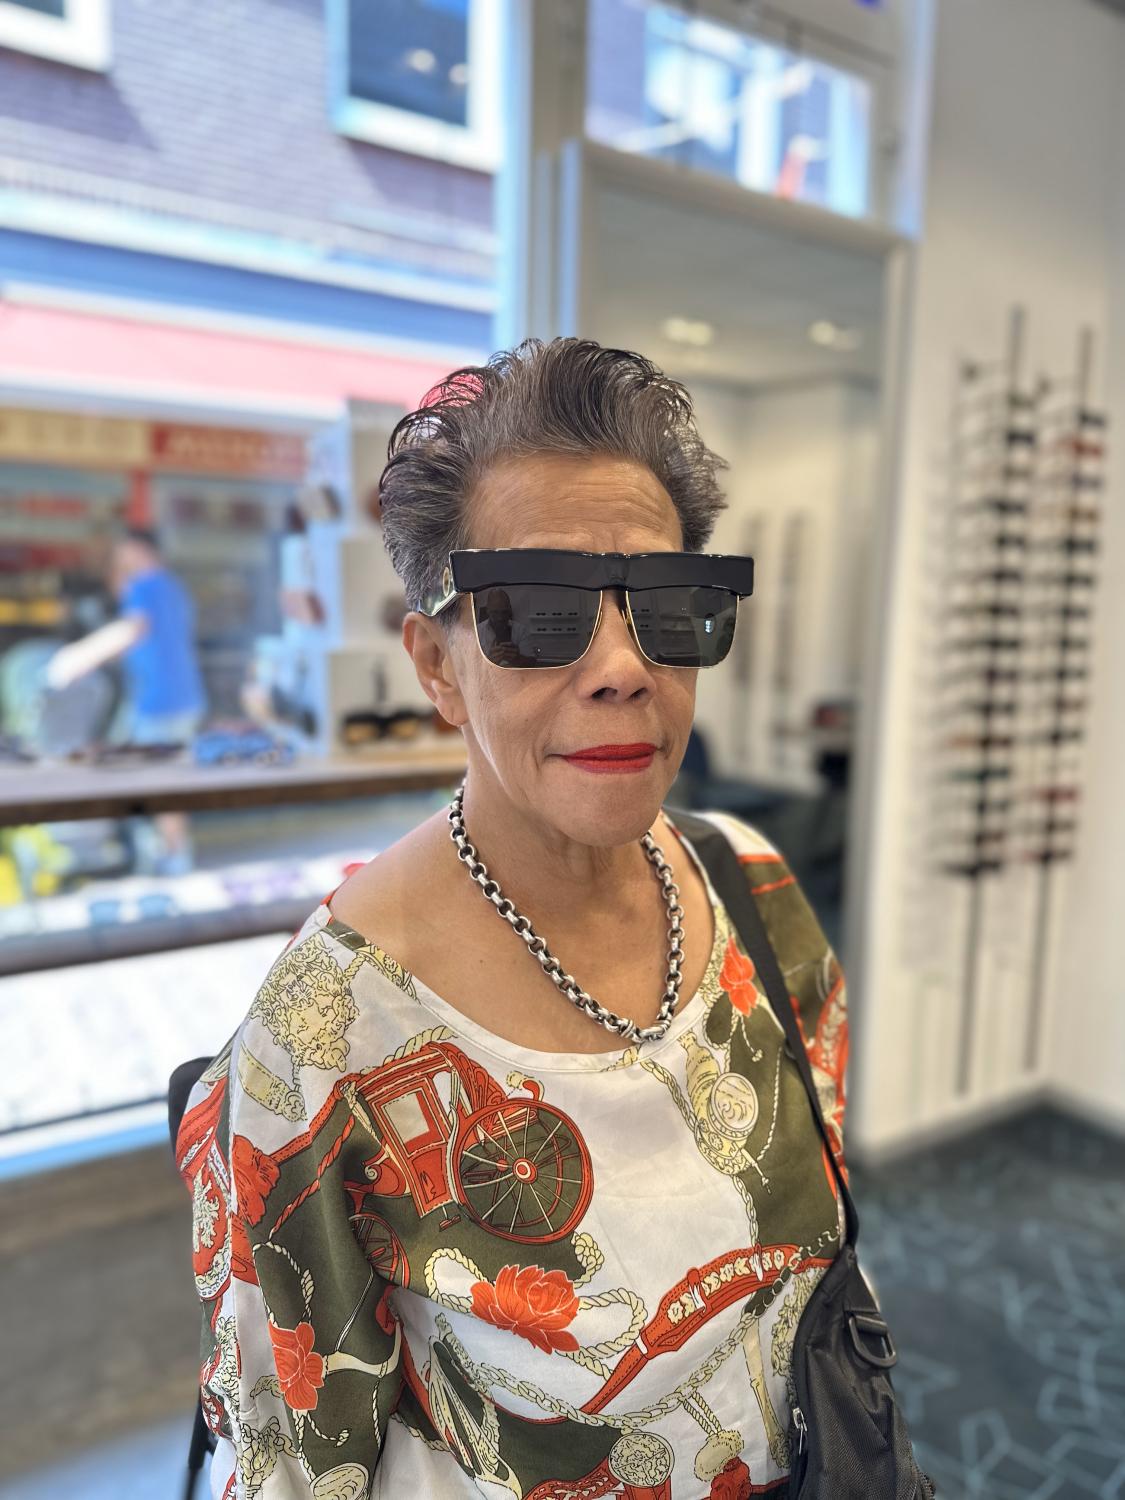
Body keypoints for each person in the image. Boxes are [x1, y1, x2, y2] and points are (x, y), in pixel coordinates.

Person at [174, 338, 850, 1498]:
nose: (624, 666)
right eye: (540, 614)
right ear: (437, 666)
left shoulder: (754, 887)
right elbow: (292, 1461)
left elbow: (827, 1260)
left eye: (670, 607)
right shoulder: (327, 1034)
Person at [47, 528, 206, 871]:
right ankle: (170, 857)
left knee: (159, 786)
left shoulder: (144, 586)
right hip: (182, 699)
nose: (120, 561)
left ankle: (169, 862)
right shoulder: (173, 587)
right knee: (166, 785)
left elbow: (133, 629)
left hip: (159, 703)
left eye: (123, 554)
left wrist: (78, 657)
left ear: (141, 551)